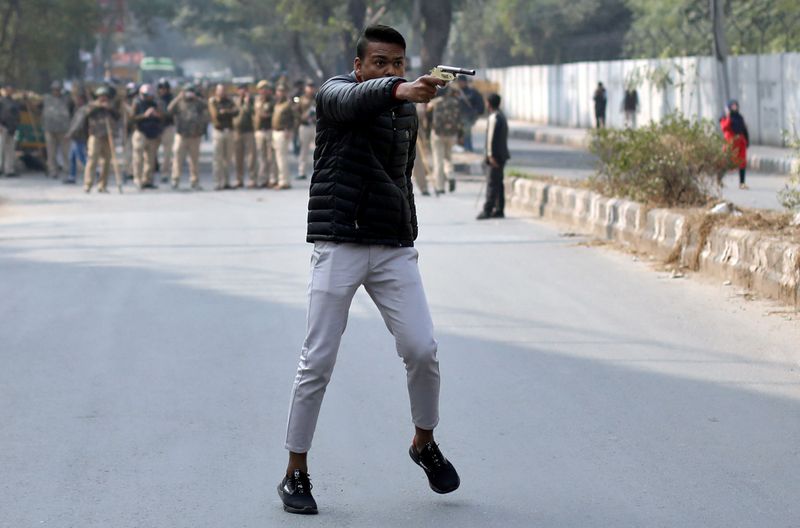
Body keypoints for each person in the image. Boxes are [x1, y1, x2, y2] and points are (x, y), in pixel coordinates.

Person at [278, 24, 460, 516]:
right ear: (359, 66)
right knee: (317, 361)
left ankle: (424, 442)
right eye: (379, 62)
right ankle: (295, 470)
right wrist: (398, 88)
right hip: (340, 244)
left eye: (398, 63)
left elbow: (402, 176)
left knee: (423, 350)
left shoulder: (406, 114)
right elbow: (353, 102)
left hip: (393, 246)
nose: (390, 70)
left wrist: (407, 229)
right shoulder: (334, 95)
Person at [168, 83, 209, 190]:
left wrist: (197, 98)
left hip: (195, 135)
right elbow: (169, 110)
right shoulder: (179, 102)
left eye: (191, 92)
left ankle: (194, 180)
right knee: (178, 158)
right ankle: (175, 179)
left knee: (194, 160)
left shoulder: (197, 103)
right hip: (181, 135)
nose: (189, 94)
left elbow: (206, 106)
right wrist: (178, 98)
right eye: (187, 92)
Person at [477, 93, 510, 220]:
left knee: (491, 183)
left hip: (494, 157)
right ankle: (500, 209)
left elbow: (490, 139)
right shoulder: (502, 116)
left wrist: (490, 156)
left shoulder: (493, 118)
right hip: (502, 155)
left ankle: (487, 210)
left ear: (489, 104)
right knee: (498, 183)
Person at [82, 86, 119, 193]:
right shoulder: (92, 106)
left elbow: (118, 116)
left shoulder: (111, 107)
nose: (103, 98)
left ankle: (102, 185)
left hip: (108, 136)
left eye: (105, 96)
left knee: (106, 161)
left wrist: (109, 108)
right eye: (101, 96)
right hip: (95, 135)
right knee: (92, 159)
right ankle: (88, 184)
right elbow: (87, 114)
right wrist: (99, 106)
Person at [428, 85, 462, 195]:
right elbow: (459, 119)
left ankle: (440, 187)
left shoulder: (435, 102)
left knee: (438, 160)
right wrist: (460, 134)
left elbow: (426, 114)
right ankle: (450, 174)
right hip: (451, 134)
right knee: (448, 158)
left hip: (437, 134)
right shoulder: (455, 102)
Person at [131, 84, 163, 190]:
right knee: (138, 157)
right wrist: (144, 115)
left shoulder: (154, 104)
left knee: (150, 159)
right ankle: (137, 178)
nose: (148, 97)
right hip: (141, 132)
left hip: (152, 133)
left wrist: (156, 115)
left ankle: (148, 180)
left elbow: (162, 117)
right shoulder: (137, 103)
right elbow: (132, 118)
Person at [209, 83, 238, 190]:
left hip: (229, 131)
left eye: (223, 90)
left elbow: (236, 111)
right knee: (218, 158)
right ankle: (217, 181)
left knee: (228, 158)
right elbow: (216, 114)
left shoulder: (229, 101)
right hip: (218, 131)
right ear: (216, 91)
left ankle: (226, 181)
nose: (222, 93)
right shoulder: (213, 101)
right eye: (220, 90)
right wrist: (227, 112)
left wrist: (226, 111)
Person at [42, 81, 73, 179]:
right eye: (54, 89)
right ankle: (53, 171)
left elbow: (73, 108)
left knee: (65, 152)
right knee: (51, 152)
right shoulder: (46, 99)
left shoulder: (66, 99)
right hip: (49, 129)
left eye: (58, 89)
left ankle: (67, 170)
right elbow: (38, 108)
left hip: (63, 129)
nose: (56, 91)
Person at [720, 99, 750, 190]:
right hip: (730, 142)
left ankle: (742, 183)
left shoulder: (739, 117)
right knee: (726, 161)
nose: (734, 108)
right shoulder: (724, 118)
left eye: (735, 106)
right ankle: (719, 180)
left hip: (740, 142)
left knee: (742, 162)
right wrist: (728, 117)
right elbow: (724, 128)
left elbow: (744, 129)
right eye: (732, 106)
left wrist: (747, 141)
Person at [233, 83, 257, 188]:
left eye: (244, 89)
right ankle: (239, 179)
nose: (242, 91)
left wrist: (247, 102)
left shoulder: (252, 101)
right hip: (237, 132)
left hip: (249, 131)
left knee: (251, 157)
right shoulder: (234, 101)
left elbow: (251, 112)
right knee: (238, 157)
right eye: (240, 89)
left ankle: (252, 179)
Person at [271, 84, 295, 190]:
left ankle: (284, 181)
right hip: (275, 132)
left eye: (282, 91)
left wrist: (289, 129)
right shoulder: (277, 104)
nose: (280, 93)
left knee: (282, 158)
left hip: (283, 132)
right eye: (278, 91)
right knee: (277, 158)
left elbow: (295, 118)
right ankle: (280, 179)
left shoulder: (288, 104)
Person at [254, 80, 276, 188]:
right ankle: (263, 179)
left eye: (265, 89)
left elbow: (275, 114)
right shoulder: (257, 100)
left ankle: (272, 178)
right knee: (261, 156)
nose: (263, 91)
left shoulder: (273, 101)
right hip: (259, 131)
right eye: (261, 89)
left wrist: (268, 115)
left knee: (270, 156)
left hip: (269, 130)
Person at [65, 91, 89, 185]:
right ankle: (72, 176)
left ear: (82, 100)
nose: (76, 101)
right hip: (76, 137)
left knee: (82, 157)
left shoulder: (83, 110)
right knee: (72, 157)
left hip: (79, 136)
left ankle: (93, 173)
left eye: (78, 99)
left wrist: (70, 134)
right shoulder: (77, 109)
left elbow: (78, 124)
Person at [455, 75, 484, 152]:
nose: (459, 84)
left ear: (465, 82)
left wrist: (477, 112)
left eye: (460, 82)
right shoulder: (456, 92)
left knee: (467, 131)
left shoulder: (472, 92)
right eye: (458, 82)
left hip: (469, 116)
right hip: (458, 117)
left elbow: (480, 103)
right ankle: (462, 147)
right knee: (460, 133)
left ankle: (468, 148)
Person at [294, 81, 316, 180]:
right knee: (304, 150)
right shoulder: (301, 99)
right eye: (309, 87)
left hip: (316, 126)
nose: (310, 89)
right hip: (305, 126)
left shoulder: (317, 98)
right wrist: (303, 118)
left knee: (319, 149)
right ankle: (301, 171)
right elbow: (296, 113)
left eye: (312, 87)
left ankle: (319, 170)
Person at [156, 79, 176, 183]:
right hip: (156, 127)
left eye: (164, 88)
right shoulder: (154, 99)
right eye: (160, 88)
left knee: (167, 152)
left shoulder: (171, 99)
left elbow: (170, 112)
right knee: (151, 151)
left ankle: (165, 173)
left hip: (168, 126)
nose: (162, 90)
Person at [0, 84, 20, 176]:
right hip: (2, 127)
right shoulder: (1, 101)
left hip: (12, 128)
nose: (9, 91)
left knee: (10, 150)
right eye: (7, 90)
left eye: (11, 90)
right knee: (1, 149)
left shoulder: (15, 102)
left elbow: (17, 115)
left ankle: (9, 170)